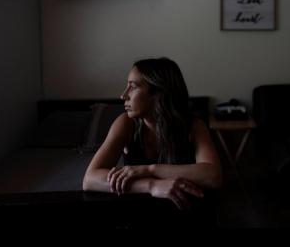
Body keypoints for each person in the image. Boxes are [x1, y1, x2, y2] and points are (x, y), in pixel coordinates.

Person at [83, 57, 222, 211]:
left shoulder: (194, 126)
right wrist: (152, 185)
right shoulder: (126, 124)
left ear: (158, 93)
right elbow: (90, 179)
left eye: (133, 87)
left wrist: (149, 170)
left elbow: (213, 176)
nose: (123, 95)